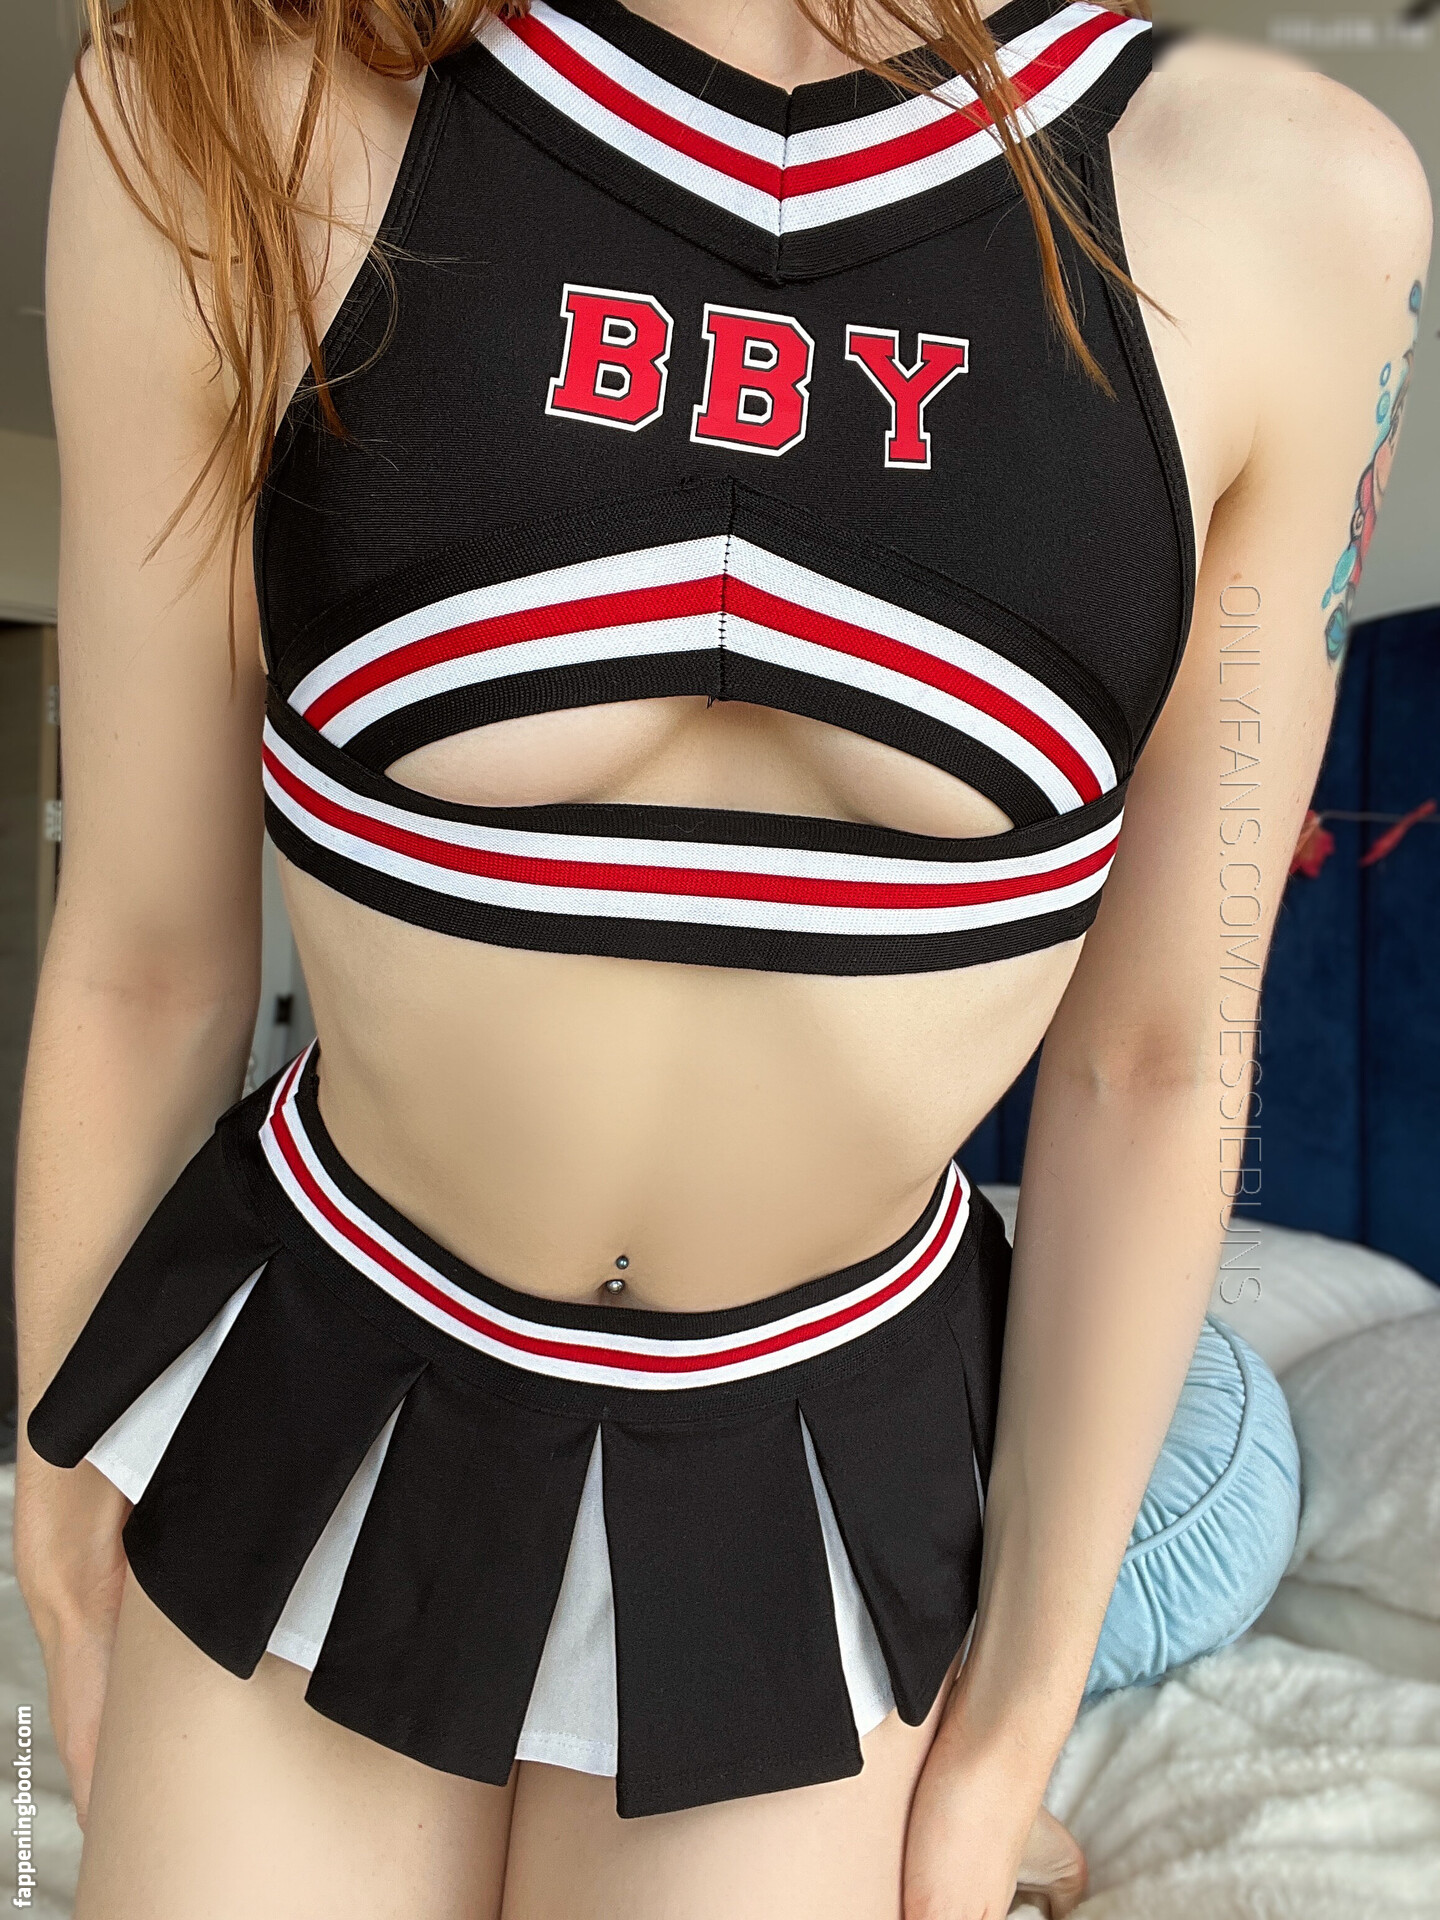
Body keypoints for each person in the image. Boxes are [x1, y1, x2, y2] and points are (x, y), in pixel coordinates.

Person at [12, 0, 1429, 1914]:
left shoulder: (1291, 207)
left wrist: (1010, 1733)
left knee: (1230, 1479)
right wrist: (59, 1512)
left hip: (827, 1433)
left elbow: (1162, 1049)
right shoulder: (220, 107)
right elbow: (142, 956)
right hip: (336, 1358)